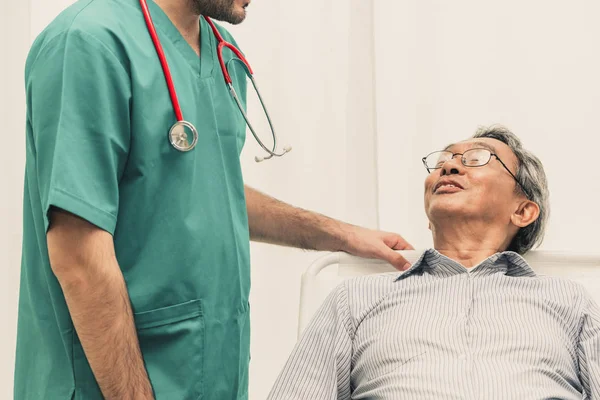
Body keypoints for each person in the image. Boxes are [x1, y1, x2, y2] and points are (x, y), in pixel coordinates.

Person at [13, 0, 414, 399]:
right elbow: (78, 256)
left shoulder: (223, 52)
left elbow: (208, 188)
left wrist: (340, 235)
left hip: (209, 372)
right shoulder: (88, 43)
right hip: (110, 383)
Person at [267, 126, 600, 400]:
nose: (449, 167)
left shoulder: (569, 301)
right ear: (430, 219)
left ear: (522, 211)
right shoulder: (355, 298)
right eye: (444, 160)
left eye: (476, 159)